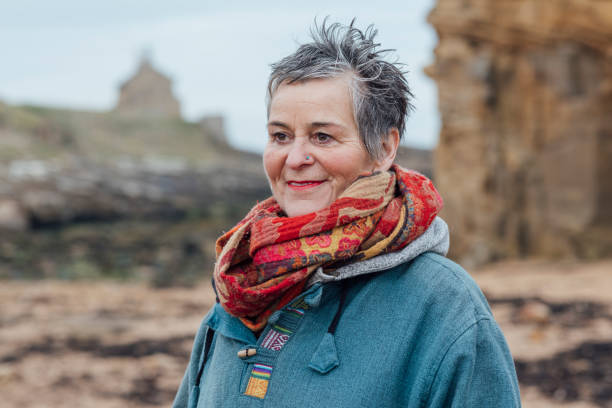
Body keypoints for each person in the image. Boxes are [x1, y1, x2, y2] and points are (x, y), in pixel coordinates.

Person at [173, 20, 521, 408]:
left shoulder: (444, 307)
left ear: (384, 148)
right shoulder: (241, 285)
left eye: (323, 136)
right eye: (280, 136)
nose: (296, 158)